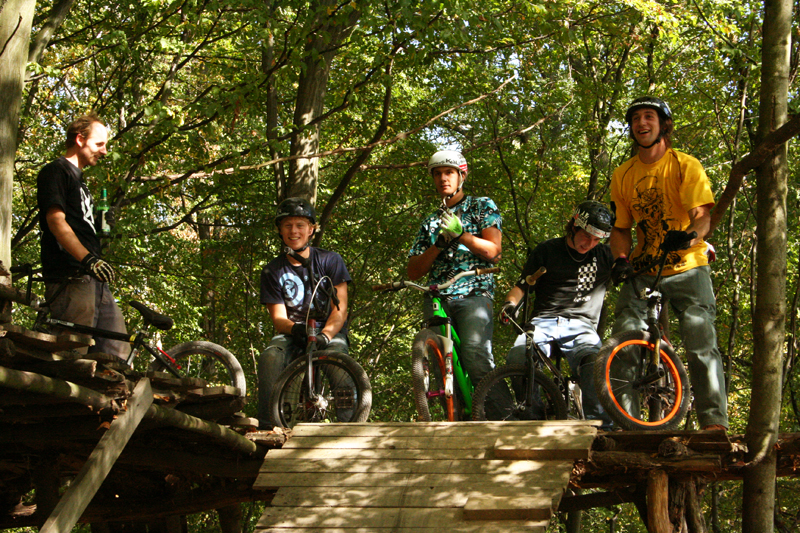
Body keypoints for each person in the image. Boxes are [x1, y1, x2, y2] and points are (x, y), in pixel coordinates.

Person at [609, 96, 728, 431]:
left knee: (700, 339)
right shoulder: (623, 174)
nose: (641, 123)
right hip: (644, 270)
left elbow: (702, 216)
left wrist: (689, 236)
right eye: (635, 118)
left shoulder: (684, 165)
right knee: (623, 342)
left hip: (688, 265)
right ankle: (628, 424)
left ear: (663, 125)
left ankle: (713, 424)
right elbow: (620, 229)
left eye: (649, 116)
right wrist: (620, 259)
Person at [501, 201, 615, 427]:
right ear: (574, 226)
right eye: (586, 236)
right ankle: (533, 419)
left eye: (596, 240)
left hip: (582, 325)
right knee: (518, 357)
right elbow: (522, 286)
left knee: (596, 363)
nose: (590, 244)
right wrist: (509, 305)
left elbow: (635, 261)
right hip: (544, 322)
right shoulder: (547, 250)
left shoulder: (604, 255)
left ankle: (602, 428)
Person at [407, 149, 502, 401]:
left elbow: (494, 252)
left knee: (476, 357)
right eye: (437, 174)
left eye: (449, 172)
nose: (443, 178)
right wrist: (437, 246)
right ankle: (455, 420)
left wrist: (461, 235)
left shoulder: (481, 206)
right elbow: (413, 270)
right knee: (442, 371)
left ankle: (505, 416)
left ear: (462, 176)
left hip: (473, 291)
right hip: (437, 298)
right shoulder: (430, 221)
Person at [36, 113, 129, 360]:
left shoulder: (81, 182)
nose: (104, 151)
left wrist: (99, 225)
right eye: (99, 144)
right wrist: (88, 259)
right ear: (80, 140)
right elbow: (56, 222)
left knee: (117, 352)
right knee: (72, 356)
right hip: (70, 277)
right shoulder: (56, 171)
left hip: (94, 279)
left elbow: (78, 225)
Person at [257, 197, 352, 429]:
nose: (294, 231)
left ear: (311, 229)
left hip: (327, 330)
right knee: (271, 358)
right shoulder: (272, 270)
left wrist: (325, 336)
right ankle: (270, 426)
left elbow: (340, 309)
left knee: (340, 361)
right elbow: (278, 318)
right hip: (293, 332)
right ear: (280, 230)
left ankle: (351, 423)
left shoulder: (331, 260)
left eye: (300, 225)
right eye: (287, 225)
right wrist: (297, 330)